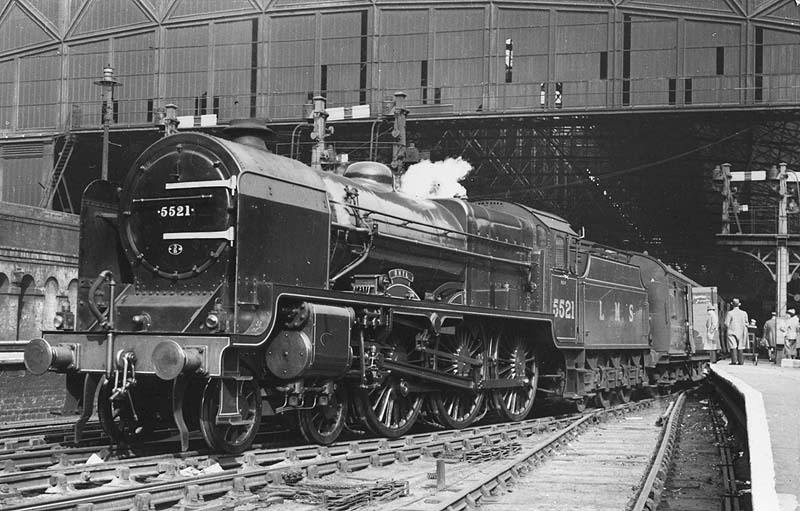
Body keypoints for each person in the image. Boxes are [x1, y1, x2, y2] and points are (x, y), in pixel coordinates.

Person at [725, 298, 749, 365]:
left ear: (732, 304)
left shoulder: (730, 313)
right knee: (740, 346)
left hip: (732, 331)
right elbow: (747, 323)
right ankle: (741, 361)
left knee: (733, 346)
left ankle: (734, 361)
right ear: (739, 304)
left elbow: (726, 323)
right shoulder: (744, 313)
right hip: (741, 331)